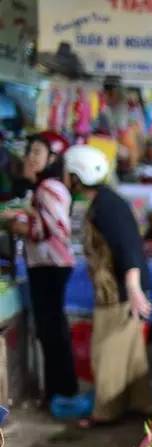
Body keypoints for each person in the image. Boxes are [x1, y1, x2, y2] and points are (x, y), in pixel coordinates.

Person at [63, 145, 152, 425]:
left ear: (78, 176)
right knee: (130, 351)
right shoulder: (105, 201)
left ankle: (105, 412)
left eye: (68, 173)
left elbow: (127, 248)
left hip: (118, 291)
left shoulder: (106, 207)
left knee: (107, 351)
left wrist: (133, 288)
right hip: (118, 288)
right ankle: (139, 404)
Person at [0, 132, 87, 415]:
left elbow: (52, 230)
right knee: (52, 330)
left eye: (37, 152)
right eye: (30, 152)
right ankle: (60, 392)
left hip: (51, 266)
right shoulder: (45, 186)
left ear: (52, 158)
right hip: (48, 266)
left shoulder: (49, 187)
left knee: (53, 331)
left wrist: (14, 225)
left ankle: (60, 393)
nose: (30, 158)